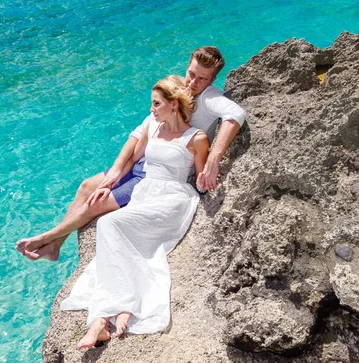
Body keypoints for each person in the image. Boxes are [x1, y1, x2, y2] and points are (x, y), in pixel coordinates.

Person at [15, 46, 245, 261]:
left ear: (213, 80)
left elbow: (235, 114)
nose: (193, 82)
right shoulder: (176, 88)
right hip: (144, 159)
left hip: (156, 173)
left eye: (202, 78)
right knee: (87, 186)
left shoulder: (209, 97)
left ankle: (47, 237)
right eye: (191, 73)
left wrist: (213, 160)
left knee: (97, 204)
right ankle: (56, 245)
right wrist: (116, 170)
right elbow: (139, 133)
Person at [61, 75, 209, 349]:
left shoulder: (196, 138)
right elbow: (131, 159)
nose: (151, 110)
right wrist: (110, 183)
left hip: (172, 199)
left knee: (110, 225)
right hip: (144, 194)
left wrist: (206, 180)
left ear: (174, 105)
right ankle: (103, 319)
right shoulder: (152, 127)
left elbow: (200, 177)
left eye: (156, 104)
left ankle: (105, 315)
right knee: (120, 238)